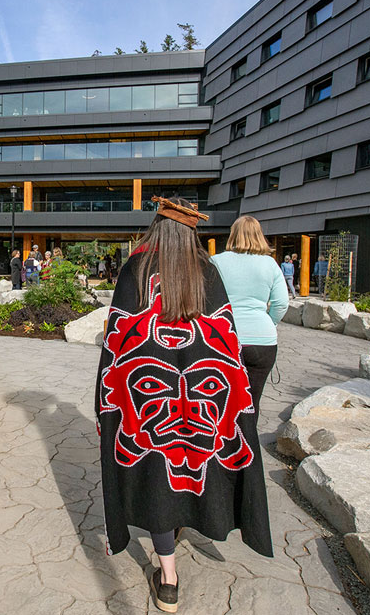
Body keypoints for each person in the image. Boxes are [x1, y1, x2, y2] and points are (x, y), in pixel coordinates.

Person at [97, 197, 272, 613]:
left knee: (158, 474)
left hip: (147, 403)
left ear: (156, 227)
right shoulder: (207, 271)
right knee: (191, 464)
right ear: (192, 232)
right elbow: (227, 338)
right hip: (202, 401)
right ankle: (181, 532)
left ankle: (169, 579)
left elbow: (116, 344)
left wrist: (108, 402)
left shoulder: (134, 270)